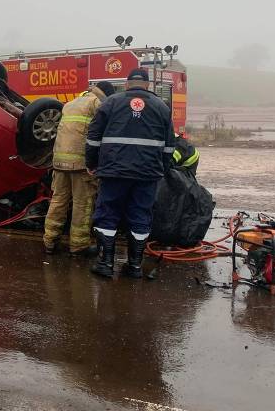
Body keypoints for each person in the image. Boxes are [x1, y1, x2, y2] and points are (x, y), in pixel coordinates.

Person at [85, 69, 176, 278]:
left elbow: (93, 138)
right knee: (140, 216)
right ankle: (134, 266)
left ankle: (106, 264)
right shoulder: (162, 107)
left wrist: (92, 163)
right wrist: (161, 168)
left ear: (126, 84)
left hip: (113, 171)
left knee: (108, 213)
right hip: (147, 174)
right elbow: (169, 146)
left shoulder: (111, 103)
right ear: (148, 85)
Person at [43, 81, 116, 256]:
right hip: (80, 164)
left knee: (58, 201)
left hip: (60, 162)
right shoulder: (98, 104)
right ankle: (79, 245)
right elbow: (102, 134)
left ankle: (49, 241)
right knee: (82, 204)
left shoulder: (70, 103)